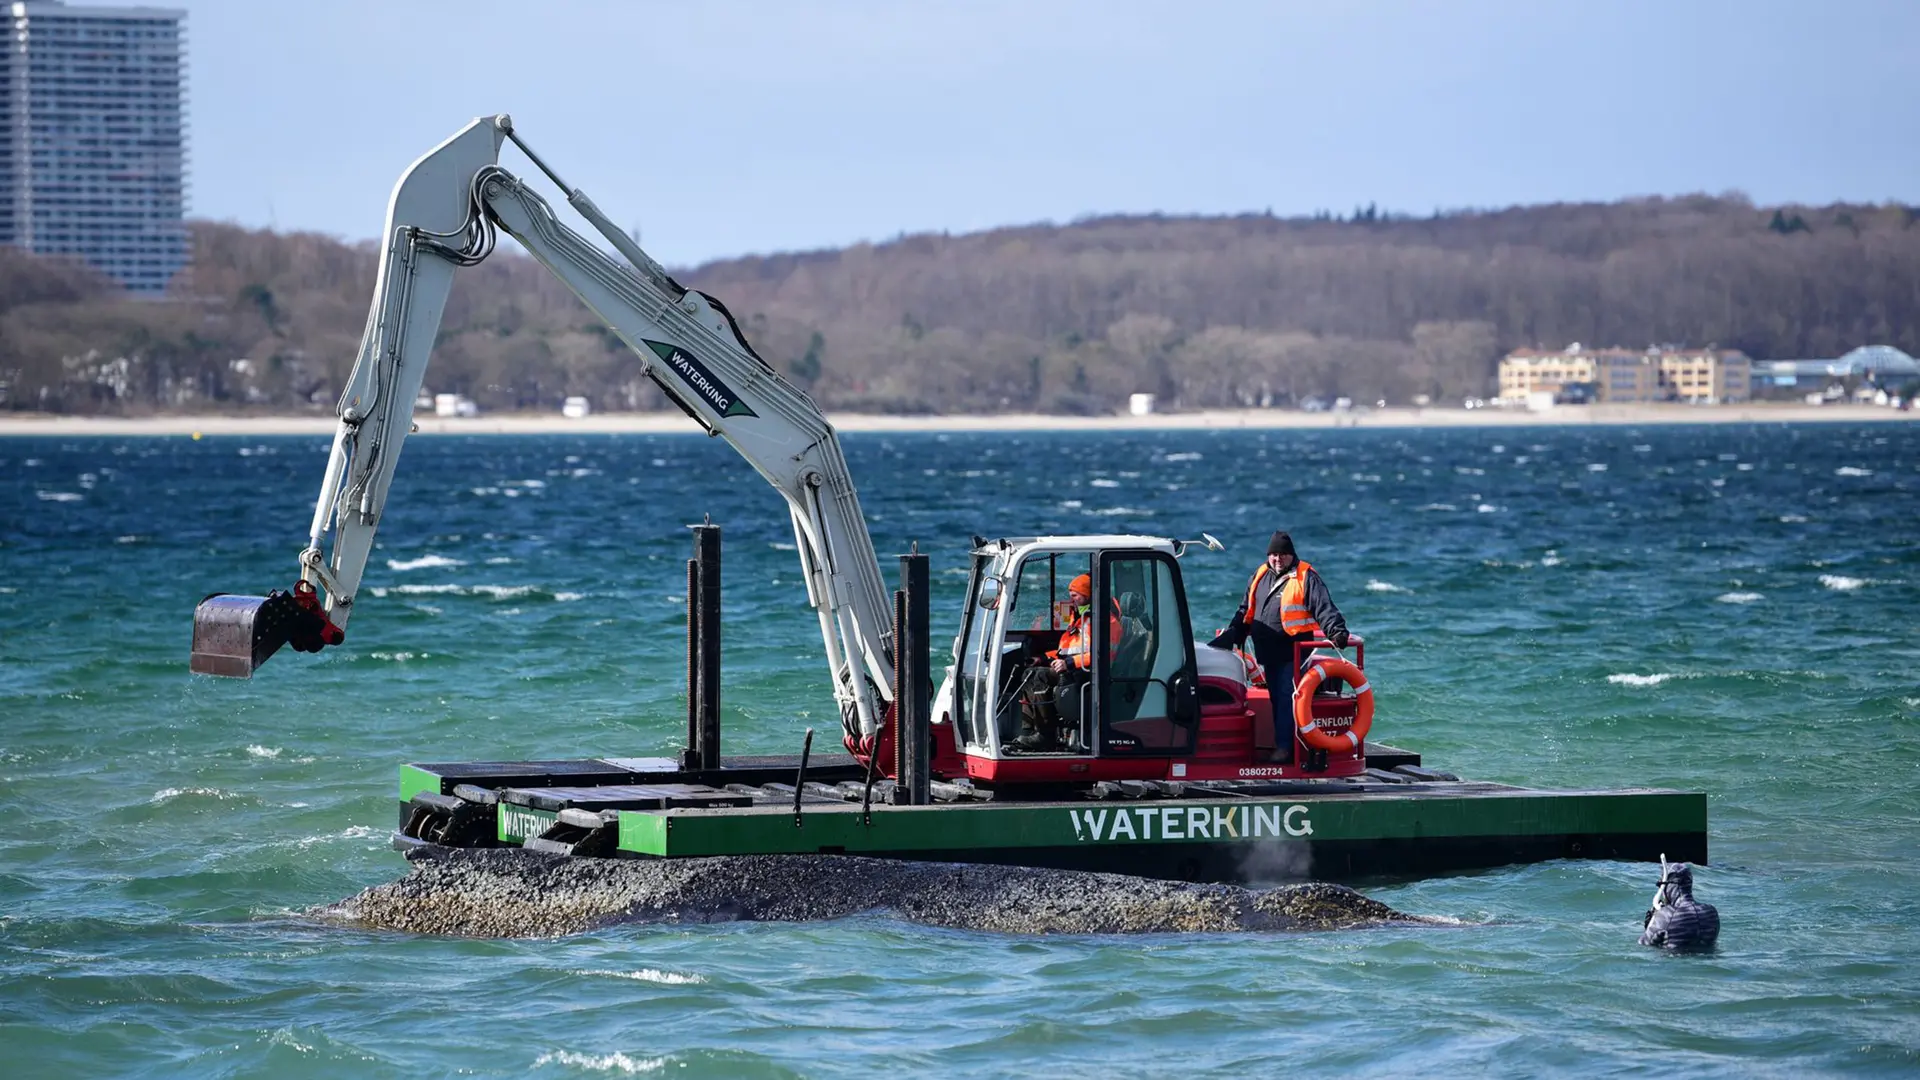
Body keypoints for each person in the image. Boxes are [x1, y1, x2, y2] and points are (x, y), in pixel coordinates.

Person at [1208, 531, 1349, 749]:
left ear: (1292, 555)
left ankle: (1285, 749)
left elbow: (1324, 608)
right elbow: (1246, 609)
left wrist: (1337, 631)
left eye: (1283, 554)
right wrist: (1235, 631)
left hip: (1294, 651)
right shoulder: (1260, 575)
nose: (1278, 559)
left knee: (1286, 697)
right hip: (1268, 651)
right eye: (1274, 554)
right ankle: (1282, 744)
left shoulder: (1306, 576)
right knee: (1276, 697)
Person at [1012, 573, 1121, 751]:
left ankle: (1045, 735)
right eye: (1070, 594)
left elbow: (1104, 654)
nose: (1071, 599)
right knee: (1029, 673)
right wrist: (1043, 658)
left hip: (1090, 672)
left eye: (1075, 595)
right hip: (1076, 668)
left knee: (1039, 676)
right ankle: (1030, 729)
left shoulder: (1105, 620)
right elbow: (1065, 651)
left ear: (1087, 594)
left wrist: (1069, 663)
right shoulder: (1079, 618)